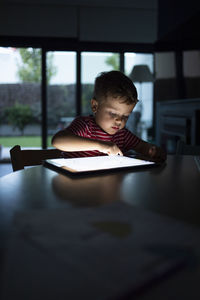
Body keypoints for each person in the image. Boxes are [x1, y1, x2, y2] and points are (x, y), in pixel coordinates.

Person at [52, 71, 166, 162]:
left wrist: (152, 150)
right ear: (95, 106)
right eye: (113, 113)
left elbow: (142, 147)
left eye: (126, 116)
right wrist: (101, 145)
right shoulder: (86, 126)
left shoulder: (122, 134)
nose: (119, 120)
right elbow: (58, 141)